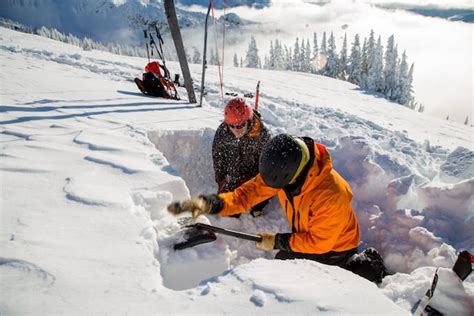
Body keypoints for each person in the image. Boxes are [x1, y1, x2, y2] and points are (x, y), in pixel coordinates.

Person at [169, 134, 387, 283]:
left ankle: (363, 268)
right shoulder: (287, 163)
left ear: (294, 177)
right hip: (311, 233)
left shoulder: (330, 195)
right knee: (286, 262)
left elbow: (320, 243)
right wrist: (211, 203)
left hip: (334, 246)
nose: (271, 188)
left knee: (290, 270)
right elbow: (246, 195)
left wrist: (277, 241)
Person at [212, 97, 271, 217]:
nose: (235, 130)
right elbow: (218, 156)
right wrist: (220, 179)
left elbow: (267, 164)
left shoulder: (262, 134)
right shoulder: (223, 132)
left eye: (239, 126)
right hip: (234, 173)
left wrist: (259, 185)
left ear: (248, 120)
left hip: (254, 175)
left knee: (256, 202)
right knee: (228, 208)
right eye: (231, 126)